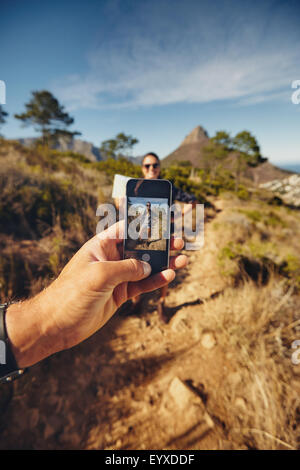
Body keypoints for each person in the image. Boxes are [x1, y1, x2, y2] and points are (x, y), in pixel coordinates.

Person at [0, 220, 187, 379]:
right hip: (134, 241)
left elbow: (188, 204)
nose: (151, 173)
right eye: (148, 172)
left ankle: (161, 303)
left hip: (156, 238)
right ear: (143, 172)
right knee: (137, 279)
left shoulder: (167, 190)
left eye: (154, 171)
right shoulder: (128, 188)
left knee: (161, 272)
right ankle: (137, 303)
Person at [130, 152, 198, 323]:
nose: (151, 168)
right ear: (142, 168)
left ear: (159, 168)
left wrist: (179, 215)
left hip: (164, 233)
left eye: (155, 165)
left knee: (163, 268)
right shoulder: (136, 186)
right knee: (136, 268)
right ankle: (135, 302)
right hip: (141, 234)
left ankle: (161, 303)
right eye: (147, 166)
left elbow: (192, 200)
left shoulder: (169, 187)